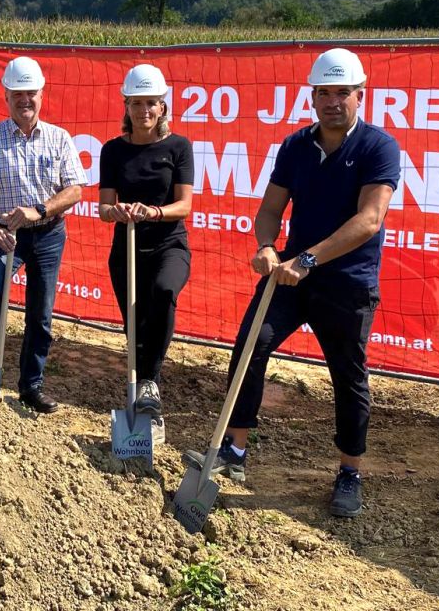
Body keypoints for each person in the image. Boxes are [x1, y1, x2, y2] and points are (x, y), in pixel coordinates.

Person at [211, 47, 400, 518]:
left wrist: (308, 259)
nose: (332, 101)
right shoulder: (296, 145)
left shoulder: (379, 146)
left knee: (348, 377)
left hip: (346, 282)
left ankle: (349, 471)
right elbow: (270, 209)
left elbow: (370, 220)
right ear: (312, 97)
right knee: (250, 345)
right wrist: (266, 245)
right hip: (291, 276)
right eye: (323, 93)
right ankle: (234, 449)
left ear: (361, 95)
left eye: (342, 93)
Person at [0, 56, 86, 413]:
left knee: (41, 310)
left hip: (47, 234)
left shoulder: (59, 139)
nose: (24, 100)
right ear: (6, 97)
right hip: (4, 235)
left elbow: (75, 189)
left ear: (41, 95)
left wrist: (40, 210)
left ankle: (32, 384)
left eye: (30, 93)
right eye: (18, 94)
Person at [98, 64, 193, 423]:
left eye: (151, 102)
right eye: (137, 103)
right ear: (126, 106)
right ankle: (138, 392)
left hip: (169, 244)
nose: (144, 111)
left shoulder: (178, 147)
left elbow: (184, 206)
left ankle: (150, 382)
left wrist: (153, 212)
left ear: (163, 107)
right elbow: (104, 207)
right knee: (134, 324)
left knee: (164, 291)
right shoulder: (113, 151)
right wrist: (117, 211)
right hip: (126, 249)